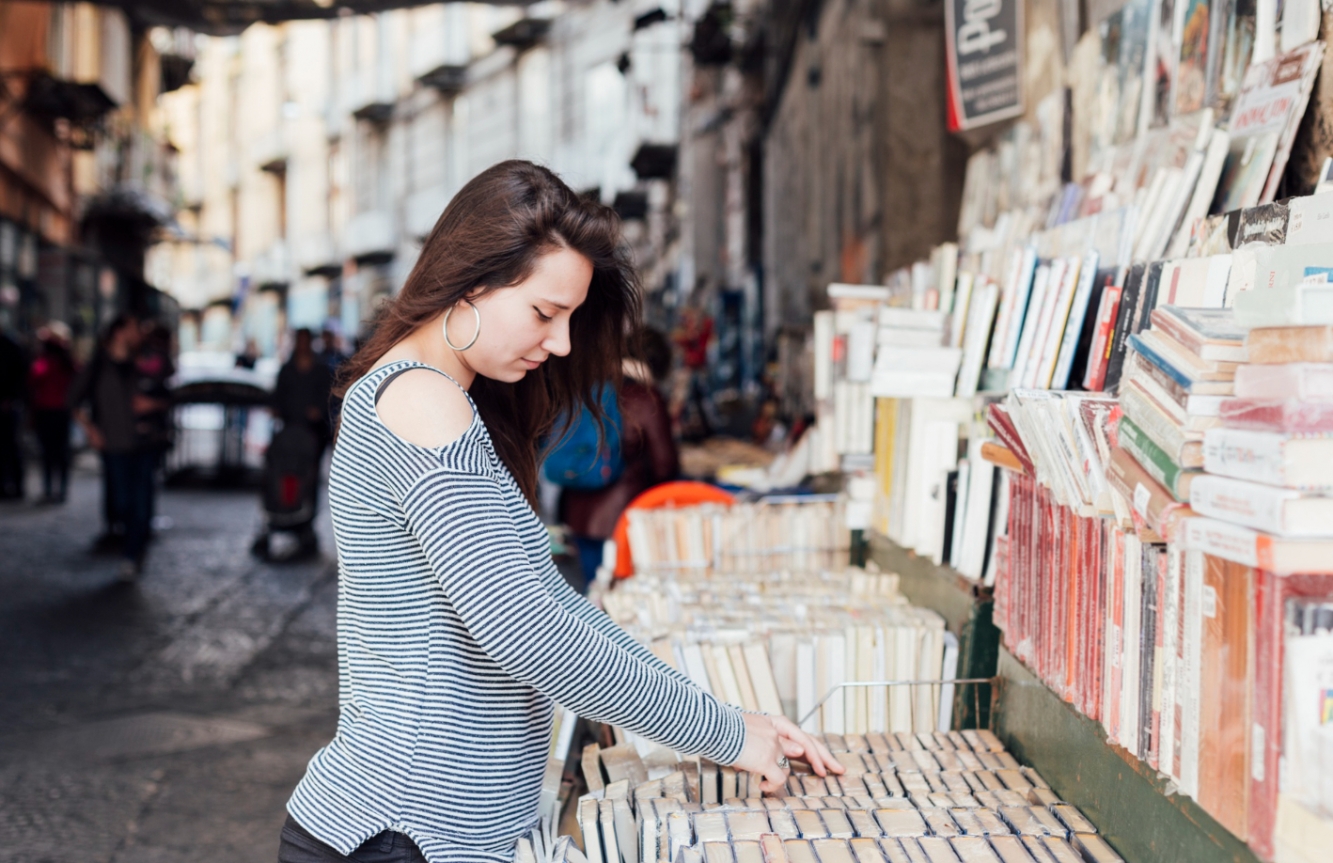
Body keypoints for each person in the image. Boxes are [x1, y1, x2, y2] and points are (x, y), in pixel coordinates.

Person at [279, 161, 841, 863]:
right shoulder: (420, 401)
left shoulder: (446, 399)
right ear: (471, 281)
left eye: (570, 317)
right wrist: (723, 734)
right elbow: (525, 629)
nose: (562, 343)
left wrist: (730, 718)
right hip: (400, 830)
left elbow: (555, 603)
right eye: (545, 313)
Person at [559, 326, 679, 587]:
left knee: (595, 594)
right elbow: (664, 465)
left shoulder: (590, 383)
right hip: (621, 518)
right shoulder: (645, 397)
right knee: (621, 599)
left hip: (578, 512)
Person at [70, 314, 164, 580]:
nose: (140, 334)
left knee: (142, 500)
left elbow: (169, 394)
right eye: (135, 328)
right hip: (113, 442)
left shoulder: (145, 361)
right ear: (120, 332)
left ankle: (133, 553)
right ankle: (131, 540)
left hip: (146, 441)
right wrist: (91, 430)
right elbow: (74, 400)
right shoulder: (99, 365)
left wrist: (153, 404)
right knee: (122, 501)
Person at [28, 325, 77, 503]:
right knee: (61, 452)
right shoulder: (68, 363)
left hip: (47, 411)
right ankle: (60, 490)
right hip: (61, 412)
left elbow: (34, 377)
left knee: (49, 452)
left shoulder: (45, 362)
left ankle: (50, 489)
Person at [273, 328, 334, 463]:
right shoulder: (287, 370)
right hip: (290, 424)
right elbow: (278, 395)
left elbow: (327, 396)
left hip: (314, 429)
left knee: (310, 467)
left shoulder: (321, 370)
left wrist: (318, 411)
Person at [0, 328, 26, 499]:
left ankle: (15, 485)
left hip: (8, 405)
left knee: (10, 447)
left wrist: (10, 398)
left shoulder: (9, 346)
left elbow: (20, 375)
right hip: (8, 403)